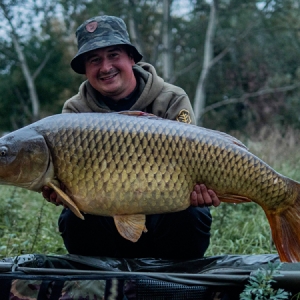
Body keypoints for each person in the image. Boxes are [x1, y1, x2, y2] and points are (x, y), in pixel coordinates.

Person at [42, 15, 221, 259]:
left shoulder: (171, 99)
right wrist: (61, 191)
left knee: (192, 213)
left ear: (132, 58)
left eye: (114, 55)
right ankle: (104, 285)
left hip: (165, 217)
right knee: (73, 219)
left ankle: (174, 283)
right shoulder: (75, 112)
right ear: (85, 69)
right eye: (95, 60)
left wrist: (202, 191)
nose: (106, 67)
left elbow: (197, 158)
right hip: (105, 219)